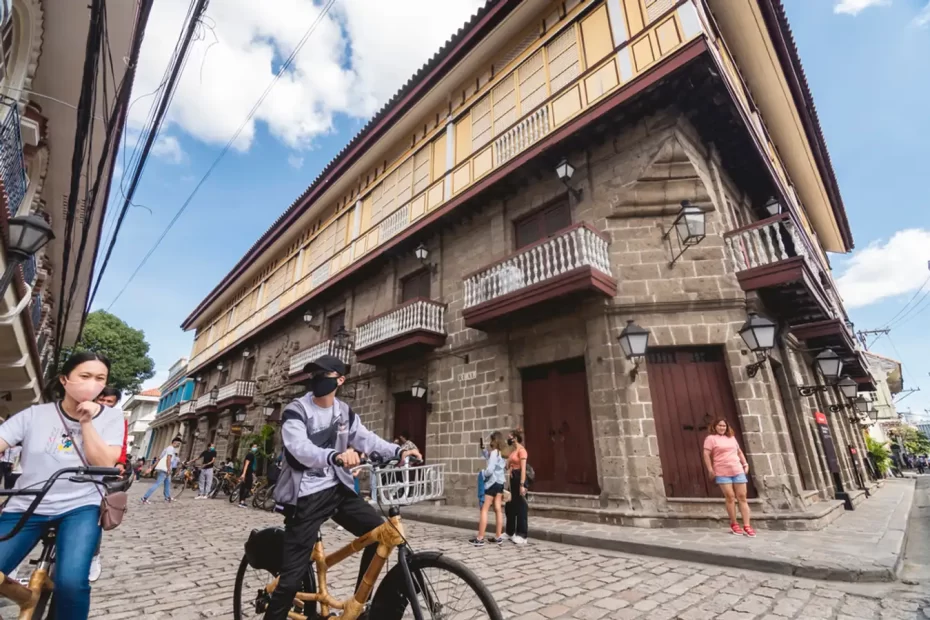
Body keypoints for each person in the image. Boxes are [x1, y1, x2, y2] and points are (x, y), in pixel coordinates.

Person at [266, 355, 421, 620]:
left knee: (381, 534)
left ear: (340, 380)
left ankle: (360, 605)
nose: (316, 380)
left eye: (323, 375)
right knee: (291, 580)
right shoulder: (296, 410)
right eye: (313, 375)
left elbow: (366, 439)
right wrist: (333, 456)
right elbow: (298, 447)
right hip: (305, 496)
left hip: (338, 490)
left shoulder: (344, 413)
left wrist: (399, 450)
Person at [0, 351, 124, 620]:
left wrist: (87, 422)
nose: (92, 383)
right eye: (85, 376)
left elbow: (104, 462)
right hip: (28, 504)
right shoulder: (34, 415)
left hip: (81, 507)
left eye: (100, 378)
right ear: (65, 379)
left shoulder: (112, 418)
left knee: (71, 583)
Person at [87, 386, 126, 584]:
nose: (104, 404)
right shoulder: (83, 412)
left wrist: (119, 463)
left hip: (101, 470)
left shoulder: (116, 419)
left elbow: (122, 444)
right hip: (76, 465)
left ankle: (94, 555)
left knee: (96, 514)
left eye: (109, 401)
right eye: (101, 399)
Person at [703, 418, 755, 537]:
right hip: (722, 471)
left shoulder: (731, 438)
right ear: (715, 426)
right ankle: (734, 523)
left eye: (724, 426)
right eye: (720, 425)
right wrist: (710, 469)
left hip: (737, 470)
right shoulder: (710, 439)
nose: (722, 428)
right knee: (730, 497)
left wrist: (745, 464)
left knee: (742, 497)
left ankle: (747, 525)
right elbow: (706, 454)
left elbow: (739, 452)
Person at [470, 432, 505, 546]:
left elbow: (490, 470)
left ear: (494, 440)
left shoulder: (494, 453)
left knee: (484, 509)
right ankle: (498, 536)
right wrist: (483, 450)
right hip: (500, 483)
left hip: (492, 483)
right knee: (498, 509)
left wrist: (482, 474)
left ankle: (480, 538)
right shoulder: (502, 453)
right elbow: (488, 457)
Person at [503, 428, 529, 545]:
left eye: (510, 437)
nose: (508, 439)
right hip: (512, 479)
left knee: (521, 508)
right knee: (510, 507)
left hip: (520, 478)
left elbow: (523, 469)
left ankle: (522, 535)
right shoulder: (513, 451)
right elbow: (507, 466)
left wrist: (522, 484)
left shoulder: (522, 451)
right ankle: (510, 531)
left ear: (515, 438)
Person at [141, 437, 181, 504]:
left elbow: (159, 459)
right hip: (166, 469)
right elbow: (168, 459)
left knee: (167, 483)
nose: (179, 445)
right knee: (158, 483)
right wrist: (168, 469)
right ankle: (145, 497)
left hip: (165, 469)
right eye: (178, 443)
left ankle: (167, 497)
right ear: (175, 442)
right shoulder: (171, 449)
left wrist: (151, 468)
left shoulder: (166, 449)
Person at [239, 442, 258, 507]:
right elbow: (246, 464)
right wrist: (244, 474)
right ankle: (242, 501)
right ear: (251, 447)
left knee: (244, 487)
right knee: (247, 487)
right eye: (254, 446)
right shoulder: (250, 455)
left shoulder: (251, 455)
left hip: (248, 472)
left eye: (256, 447)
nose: (255, 448)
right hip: (247, 473)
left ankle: (241, 501)